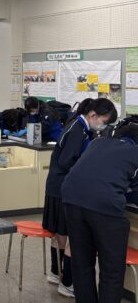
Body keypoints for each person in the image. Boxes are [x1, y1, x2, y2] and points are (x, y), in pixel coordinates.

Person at [42, 98, 117, 297]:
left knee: (60, 235)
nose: (103, 127)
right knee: (71, 238)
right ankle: (67, 282)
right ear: (93, 115)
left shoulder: (77, 125)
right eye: (104, 122)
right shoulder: (78, 130)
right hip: (63, 189)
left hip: (57, 187)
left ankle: (56, 273)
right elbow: (68, 161)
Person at [61, 124, 138, 303]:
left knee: (82, 263)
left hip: (71, 198)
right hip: (105, 206)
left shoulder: (97, 143)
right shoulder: (134, 153)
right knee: (112, 269)